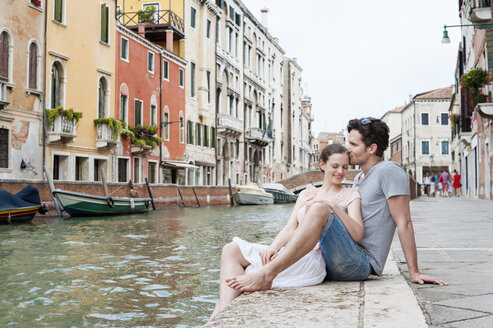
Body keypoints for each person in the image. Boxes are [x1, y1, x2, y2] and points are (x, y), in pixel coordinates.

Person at [224, 117, 446, 297]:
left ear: (372, 148)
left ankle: (266, 275)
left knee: (321, 209)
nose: (348, 149)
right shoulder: (360, 178)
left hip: (360, 261)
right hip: (338, 252)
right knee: (234, 250)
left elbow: (404, 222)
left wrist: (414, 271)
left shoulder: (390, 171)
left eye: (353, 144)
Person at [210, 144, 363, 319]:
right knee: (231, 249)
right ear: (322, 165)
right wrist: (273, 247)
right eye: (335, 166)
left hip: (311, 258)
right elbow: (290, 228)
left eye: (345, 167)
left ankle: (221, 317)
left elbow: (358, 233)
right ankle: (223, 316)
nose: (340, 172)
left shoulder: (351, 195)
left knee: (244, 274)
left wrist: (333, 205)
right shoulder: (308, 193)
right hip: (287, 252)